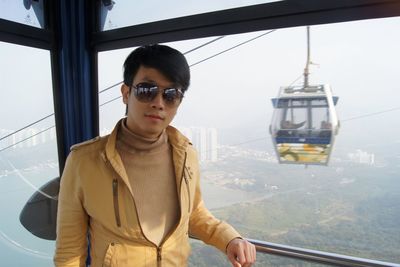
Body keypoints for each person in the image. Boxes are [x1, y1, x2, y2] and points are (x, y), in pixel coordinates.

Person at [54, 44, 256, 267]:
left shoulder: (185, 153)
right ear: (126, 93)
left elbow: (195, 214)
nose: (158, 103)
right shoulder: (84, 161)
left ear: (178, 102)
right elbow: (70, 252)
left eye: (171, 95)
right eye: (146, 90)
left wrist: (230, 239)